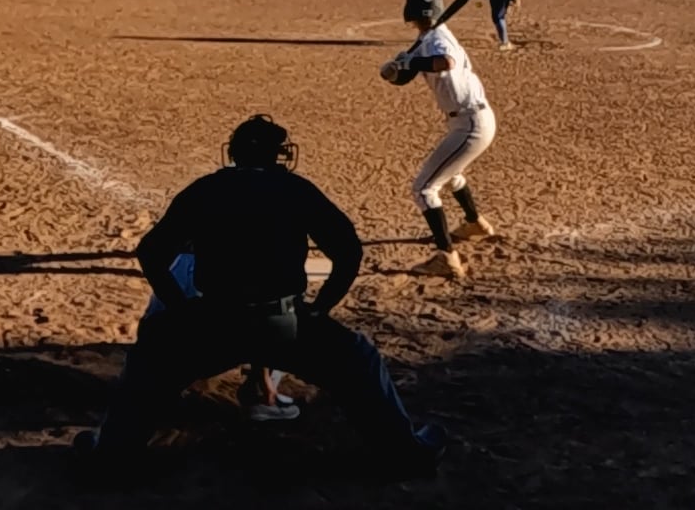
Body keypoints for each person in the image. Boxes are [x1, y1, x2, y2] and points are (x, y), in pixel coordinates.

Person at [75, 115, 445, 479]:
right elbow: (348, 252)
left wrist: (181, 310)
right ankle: (407, 454)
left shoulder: (206, 188)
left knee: (148, 361)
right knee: (359, 359)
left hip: (212, 323)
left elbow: (151, 253)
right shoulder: (297, 189)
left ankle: (111, 456)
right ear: (280, 154)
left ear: (233, 152)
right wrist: (320, 308)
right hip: (284, 325)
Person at [380, 0, 499, 280]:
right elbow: (406, 75)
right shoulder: (427, 39)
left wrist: (410, 62)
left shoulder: (437, 39)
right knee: (451, 175)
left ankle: (447, 257)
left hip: (471, 124)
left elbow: (446, 63)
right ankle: (475, 224)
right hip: (469, 121)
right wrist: (395, 70)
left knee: (424, 188)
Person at [144, 251, 298, 422]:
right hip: (206, 345)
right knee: (278, 321)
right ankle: (263, 395)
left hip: (160, 353)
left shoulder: (177, 261)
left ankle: (157, 391)